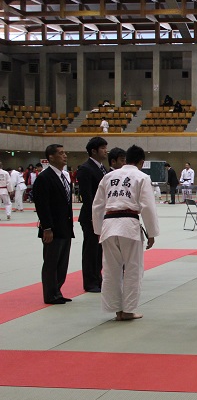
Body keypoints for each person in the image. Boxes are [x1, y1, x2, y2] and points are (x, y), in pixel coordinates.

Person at [92, 145, 160, 321]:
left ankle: (116, 310)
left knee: (111, 269)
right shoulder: (142, 177)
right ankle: (128, 310)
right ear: (141, 162)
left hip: (108, 225)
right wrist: (151, 232)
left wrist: (98, 230)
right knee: (132, 269)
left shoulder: (109, 176)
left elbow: (97, 205)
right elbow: (147, 206)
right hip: (128, 226)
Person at [34, 144, 75, 305]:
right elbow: (42, 206)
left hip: (65, 226)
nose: (64, 156)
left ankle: (57, 290)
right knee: (51, 262)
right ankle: (50, 294)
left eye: (65, 152)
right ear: (51, 157)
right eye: (60, 153)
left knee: (62, 262)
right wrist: (47, 228)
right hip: (52, 228)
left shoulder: (64, 176)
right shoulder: (44, 178)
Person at [76, 136, 108, 293]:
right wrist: (94, 215)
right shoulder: (85, 169)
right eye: (102, 148)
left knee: (99, 250)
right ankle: (90, 282)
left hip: (103, 215)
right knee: (90, 250)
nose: (105, 151)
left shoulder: (103, 168)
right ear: (93, 151)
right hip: (90, 215)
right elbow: (87, 196)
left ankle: (98, 277)